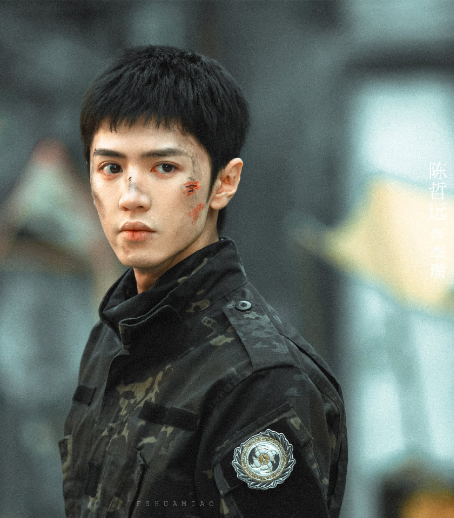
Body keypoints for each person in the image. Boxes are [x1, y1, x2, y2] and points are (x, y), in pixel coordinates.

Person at [60, 45, 347, 517]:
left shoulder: (258, 381)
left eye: (164, 168)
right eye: (111, 168)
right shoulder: (110, 341)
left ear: (223, 183)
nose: (130, 196)